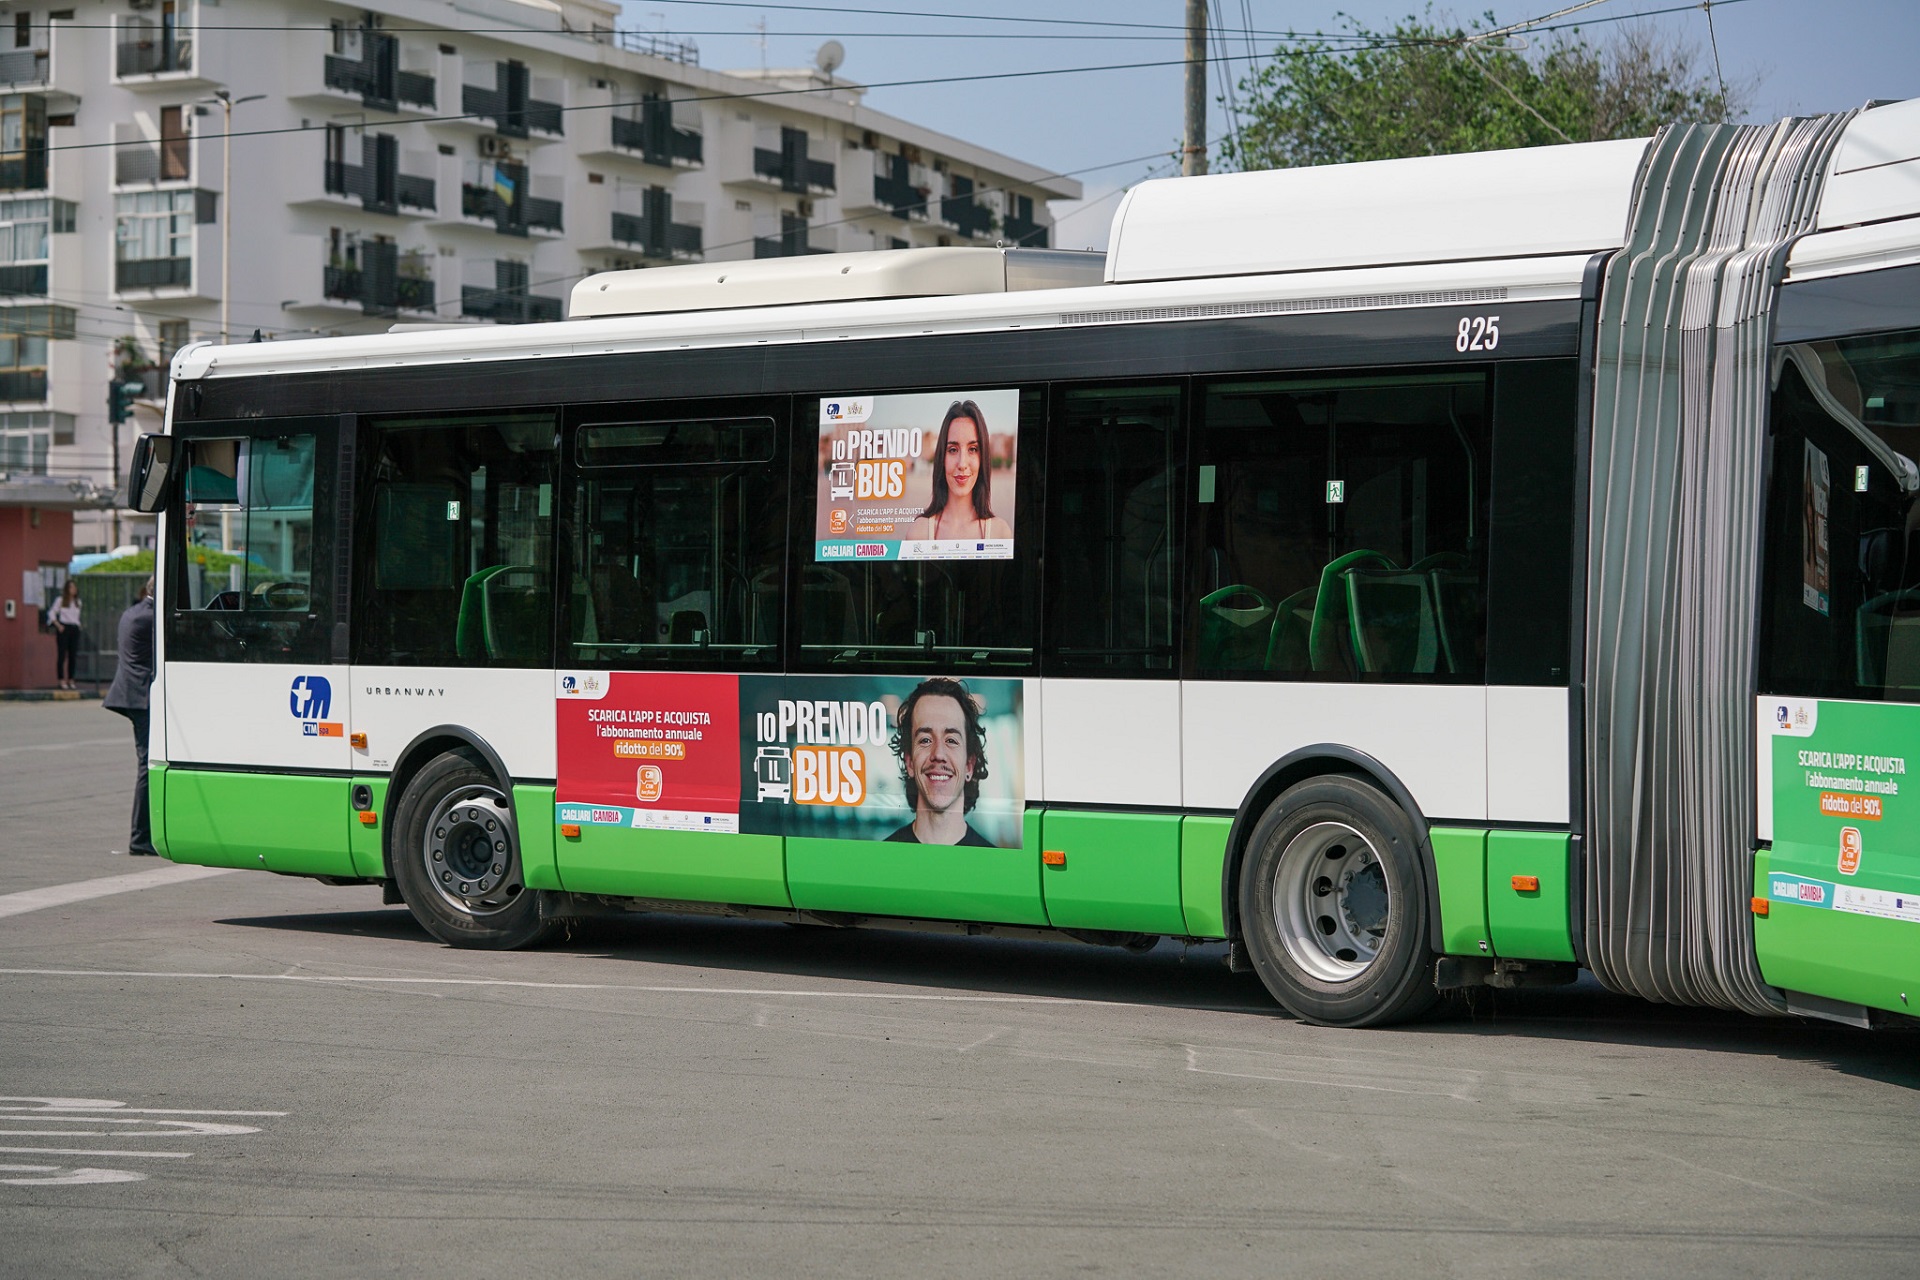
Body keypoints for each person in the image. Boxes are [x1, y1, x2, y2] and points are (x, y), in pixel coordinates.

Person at [885, 676, 995, 846]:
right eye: (925, 740)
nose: (938, 754)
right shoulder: (884, 856)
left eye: (951, 740)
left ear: (969, 765)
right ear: (909, 762)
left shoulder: (993, 863)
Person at [103, 576, 158, 857]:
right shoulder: (151, 618)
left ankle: (144, 835)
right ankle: (140, 838)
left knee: (147, 765)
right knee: (148, 767)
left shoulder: (132, 612)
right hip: (142, 698)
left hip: (133, 695)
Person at [912, 401, 1013, 543]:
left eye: (972, 449)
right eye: (953, 450)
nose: (962, 464)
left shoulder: (1000, 533)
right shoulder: (918, 533)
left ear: (982, 457)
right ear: (942, 458)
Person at [48, 579, 81, 690]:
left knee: (73, 655)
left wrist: (78, 626)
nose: (74, 589)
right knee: (62, 655)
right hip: (64, 628)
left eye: (75, 587)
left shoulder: (78, 602)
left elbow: (76, 617)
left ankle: (71, 679)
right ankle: (61, 679)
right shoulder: (60, 600)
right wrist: (58, 625)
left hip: (74, 628)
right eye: (71, 587)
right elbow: (52, 612)